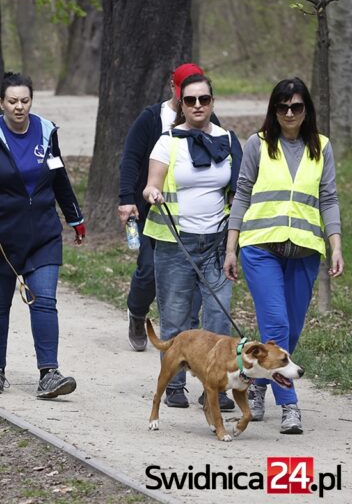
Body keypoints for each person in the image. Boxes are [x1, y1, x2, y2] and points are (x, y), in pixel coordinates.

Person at [223, 77, 343, 434]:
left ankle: (258, 384)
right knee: (276, 323)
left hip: (305, 250)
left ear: (307, 110)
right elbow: (242, 194)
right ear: (273, 110)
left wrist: (336, 245)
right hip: (261, 248)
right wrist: (231, 247)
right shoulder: (258, 144)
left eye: (296, 106)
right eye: (282, 107)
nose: (289, 113)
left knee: (289, 330)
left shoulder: (322, 147)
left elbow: (329, 198)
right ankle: (290, 405)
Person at [0, 73, 86, 398]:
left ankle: (49, 374)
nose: (19, 107)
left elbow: (59, 178)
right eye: (12, 101)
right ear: (1, 102)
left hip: (42, 234)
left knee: (44, 301)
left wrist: (75, 217)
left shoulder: (46, 131)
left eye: (25, 101)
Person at [142, 74, 242, 410]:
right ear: (181, 105)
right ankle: (174, 383)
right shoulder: (167, 141)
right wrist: (152, 193)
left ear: (213, 102)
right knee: (176, 316)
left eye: (204, 99)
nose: (198, 105)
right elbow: (152, 183)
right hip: (176, 244)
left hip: (217, 244)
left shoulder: (228, 140)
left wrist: (233, 243)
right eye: (190, 100)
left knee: (218, 317)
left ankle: (214, 386)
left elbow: (239, 192)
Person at [117, 63, 215, 352]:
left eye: (201, 97)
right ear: (174, 87)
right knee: (148, 270)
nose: (195, 102)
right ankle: (137, 312)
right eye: (185, 92)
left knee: (192, 277)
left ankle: (185, 336)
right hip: (153, 211)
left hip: (194, 217)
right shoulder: (151, 118)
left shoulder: (207, 118)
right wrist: (126, 199)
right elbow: (130, 159)